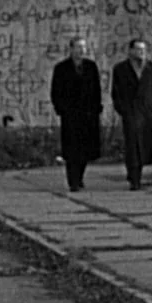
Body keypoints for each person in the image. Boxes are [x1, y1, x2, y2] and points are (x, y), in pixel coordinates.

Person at [49, 37, 103, 192]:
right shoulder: (61, 68)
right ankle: (72, 180)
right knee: (72, 149)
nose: (81, 50)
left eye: (84, 47)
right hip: (71, 115)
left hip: (88, 114)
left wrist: (97, 108)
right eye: (78, 47)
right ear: (71, 49)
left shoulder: (91, 67)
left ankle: (79, 177)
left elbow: (96, 89)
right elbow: (56, 91)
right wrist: (61, 109)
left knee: (86, 149)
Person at [110, 37, 152, 190]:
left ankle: (136, 171)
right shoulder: (120, 69)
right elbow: (116, 91)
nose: (141, 53)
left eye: (143, 50)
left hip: (147, 112)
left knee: (145, 144)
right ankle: (134, 177)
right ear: (131, 51)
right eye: (138, 49)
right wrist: (122, 109)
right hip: (131, 111)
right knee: (132, 145)